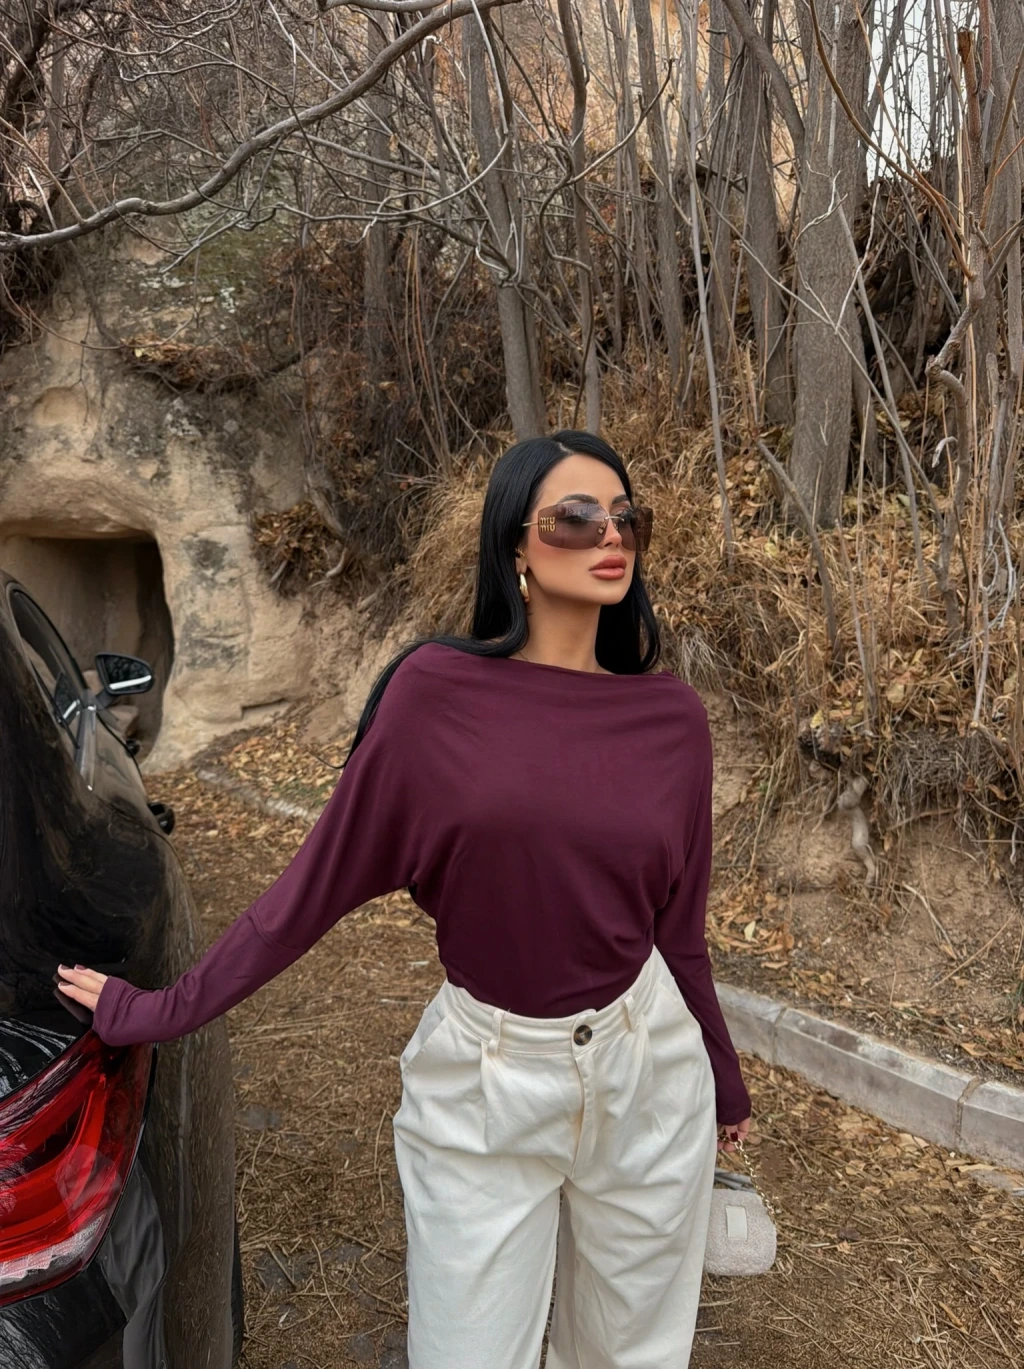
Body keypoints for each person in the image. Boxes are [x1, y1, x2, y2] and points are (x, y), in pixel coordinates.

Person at [59, 430, 752, 1369]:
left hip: (648, 1072)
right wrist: (154, 1009)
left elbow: (681, 934)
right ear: (515, 546)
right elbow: (303, 896)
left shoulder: (672, 720)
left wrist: (723, 1074)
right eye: (575, 517)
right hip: (484, 1084)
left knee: (632, 1357)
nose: (610, 535)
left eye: (628, 518)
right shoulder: (434, 698)